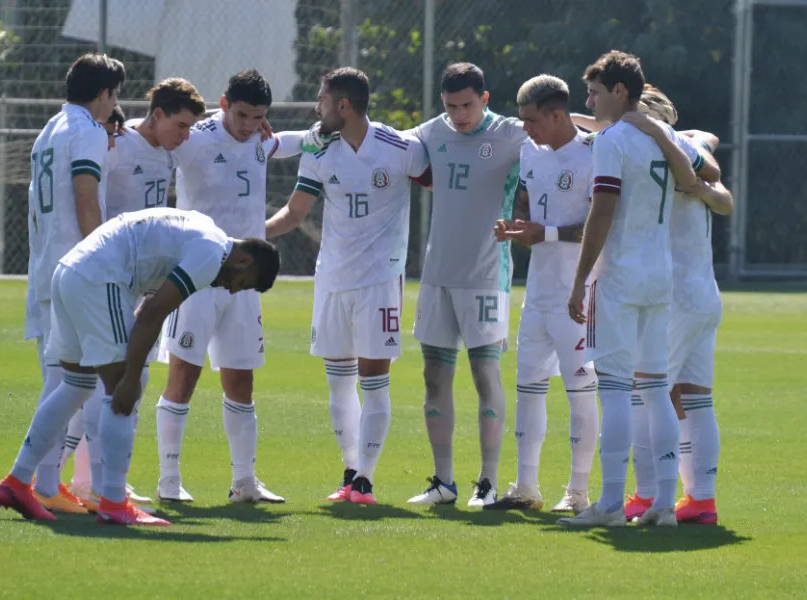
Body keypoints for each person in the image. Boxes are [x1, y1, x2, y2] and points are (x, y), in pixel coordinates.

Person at [0, 208, 281, 525]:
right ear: (244, 261)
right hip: (100, 279)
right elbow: (153, 313)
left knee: (76, 384)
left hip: (70, 271)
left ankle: (18, 481)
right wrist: (129, 377)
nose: (231, 289)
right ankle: (114, 503)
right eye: (242, 283)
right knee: (122, 392)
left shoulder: (204, 232)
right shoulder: (211, 256)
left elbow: (150, 300)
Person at [265, 67, 429, 504]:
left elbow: (442, 173)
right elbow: (295, 212)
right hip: (332, 279)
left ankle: (366, 480)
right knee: (339, 382)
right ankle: (349, 470)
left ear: (343, 105)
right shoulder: (320, 150)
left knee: (375, 380)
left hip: (379, 280)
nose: (316, 108)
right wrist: (254, 233)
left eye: (321, 100)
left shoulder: (401, 147)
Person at [154, 69, 309, 503]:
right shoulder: (196, 138)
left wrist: (322, 130)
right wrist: (115, 129)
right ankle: (169, 481)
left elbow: (295, 141)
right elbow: (151, 135)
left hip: (244, 282)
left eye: (258, 117)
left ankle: (244, 482)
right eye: (242, 115)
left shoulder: (260, 138)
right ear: (224, 105)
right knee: (183, 376)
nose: (249, 126)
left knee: (241, 382)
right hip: (197, 276)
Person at [558, 50, 698, 528]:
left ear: (620, 92)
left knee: (615, 389)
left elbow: (602, 211)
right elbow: (699, 179)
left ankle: (612, 504)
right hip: (660, 275)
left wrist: (579, 280)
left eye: (595, 93)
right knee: (656, 388)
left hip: (618, 276)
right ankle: (663, 504)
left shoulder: (614, 140)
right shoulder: (665, 138)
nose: (590, 102)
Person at [68, 80, 208, 510]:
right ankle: (89, 481)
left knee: (129, 378)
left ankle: (91, 479)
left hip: (139, 279)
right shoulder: (119, 141)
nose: (184, 136)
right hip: (109, 274)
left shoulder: (166, 150)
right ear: (158, 114)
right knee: (101, 382)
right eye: (180, 125)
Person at [406, 63, 529, 508]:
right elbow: (387, 144)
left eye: (468, 105)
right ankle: (443, 481)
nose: (460, 115)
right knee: (433, 375)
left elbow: (565, 132)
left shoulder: (513, 133)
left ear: (485, 99)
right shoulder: (430, 132)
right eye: (452, 106)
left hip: (485, 277)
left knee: (484, 374)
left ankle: (489, 482)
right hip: (437, 275)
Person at [484, 75, 598, 513]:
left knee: (579, 391)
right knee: (528, 386)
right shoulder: (530, 150)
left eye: (531, 119)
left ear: (557, 115)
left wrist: (544, 233)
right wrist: (516, 225)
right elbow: (528, 199)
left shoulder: (593, 152)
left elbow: (602, 225)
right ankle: (526, 486)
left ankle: (578, 492)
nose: (524, 128)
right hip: (538, 293)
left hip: (581, 293)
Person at [22, 52, 124, 515]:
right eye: (115, 94)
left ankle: (46, 481)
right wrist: (101, 256)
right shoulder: (86, 130)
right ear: (104, 94)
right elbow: (87, 198)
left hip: (46, 266)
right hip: (76, 270)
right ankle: (36, 481)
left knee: (64, 380)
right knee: (74, 383)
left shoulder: (50, 129)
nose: (115, 104)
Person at [627, 86, 731, 525]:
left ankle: (648, 495)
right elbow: (709, 142)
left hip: (671, 296)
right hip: (703, 294)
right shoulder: (687, 149)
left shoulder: (649, 153)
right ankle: (701, 500)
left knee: (643, 394)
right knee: (695, 397)